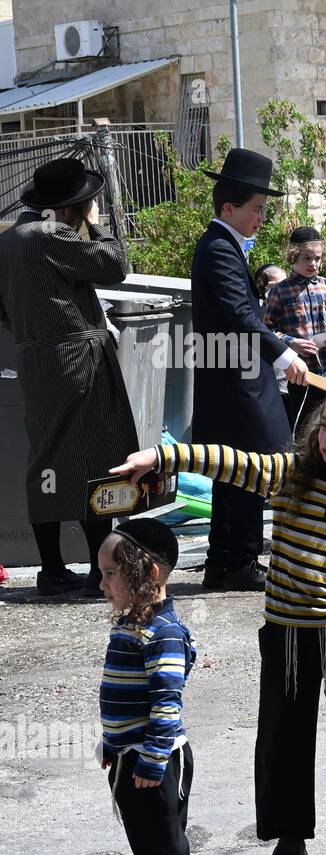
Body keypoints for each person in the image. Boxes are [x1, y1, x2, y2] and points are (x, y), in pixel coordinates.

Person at [111, 382, 326, 855]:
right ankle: (289, 844)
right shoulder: (291, 476)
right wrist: (160, 456)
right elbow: (226, 460)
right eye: (324, 424)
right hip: (288, 634)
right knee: (284, 739)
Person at [0, 157, 137, 597]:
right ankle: (101, 570)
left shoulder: (7, 242)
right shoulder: (52, 236)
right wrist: (96, 225)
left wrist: (34, 332)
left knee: (48, 459)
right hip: (77, 356)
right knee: (94, 457)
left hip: (34, 359)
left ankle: (52, 568)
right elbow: (116, 264)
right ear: (74, 205)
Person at [191, 149, 313, 592]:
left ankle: (229, 560)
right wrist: (283, 354)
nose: (261, 218)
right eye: (256, 209)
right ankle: (234, 560)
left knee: (238, 472)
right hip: (234, 381)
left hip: (236, 377)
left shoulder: (223, 245)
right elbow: (241, 314)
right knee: (248, 468)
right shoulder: (219, 248)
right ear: (229, 207)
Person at [96, 518, 198, 855]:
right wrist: (112, 742)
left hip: (154, 758)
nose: (101, 584)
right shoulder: (130, 623)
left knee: (162, 841)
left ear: (149, 573)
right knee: (145, 840)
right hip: (130, 753)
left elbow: (165, 703)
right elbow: (125, 696)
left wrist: (154, 758)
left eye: (110, 574)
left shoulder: (163, 632)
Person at [264, 226, 326, 428]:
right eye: (306, 258)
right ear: (293, 257)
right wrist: (292, 343)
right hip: (300, 376)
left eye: (317, 258)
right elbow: (266, 331)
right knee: (303, 429)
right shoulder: (280, 291)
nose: (313, 264)